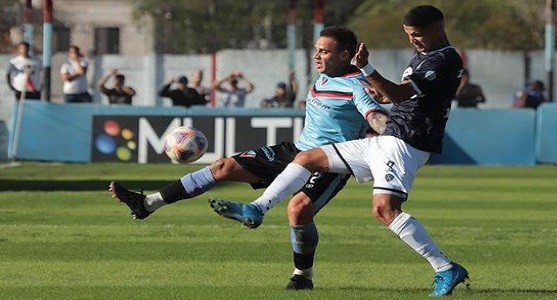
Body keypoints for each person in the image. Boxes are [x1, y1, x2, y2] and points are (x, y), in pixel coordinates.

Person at [210, 6, 469, 297]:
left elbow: (397, 94)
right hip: (390, 137)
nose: (413, 41)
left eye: (417, 35)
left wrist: (366, 68)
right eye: (409, 35)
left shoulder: (444, 59)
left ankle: (445, 268)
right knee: (307, 158)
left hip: (406, 143)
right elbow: (394, 95)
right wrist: (376, 89)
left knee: (385, 210)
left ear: (437, 29)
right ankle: (256, 208)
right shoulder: (425, 54)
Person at [109, 26, 388, 290]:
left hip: (329, 162)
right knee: (222, 166)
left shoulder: (357, 85)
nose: (316, 55)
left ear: (344, 55)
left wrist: (389, 132)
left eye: (324, 51)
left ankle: (302, 275)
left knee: (298, 211)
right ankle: (147, 203)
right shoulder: (324, 75)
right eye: (316, 49)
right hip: (296, 150)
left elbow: (373, 116)